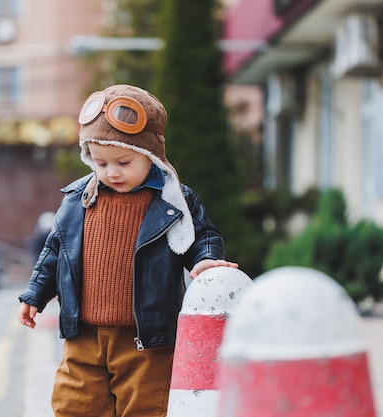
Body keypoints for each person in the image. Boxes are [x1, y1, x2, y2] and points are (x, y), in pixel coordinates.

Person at [17, 84, 238, 417]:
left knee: (146, 406)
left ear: (150, 155)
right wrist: (35, 294)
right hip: (84, 336)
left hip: (145, 339)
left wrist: (206, 260)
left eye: (123, 161)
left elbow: (202, 235)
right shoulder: (78, 200)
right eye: (101, 162)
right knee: (74, 404)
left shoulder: (172, 199)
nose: (112, 172)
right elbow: (56, 250)